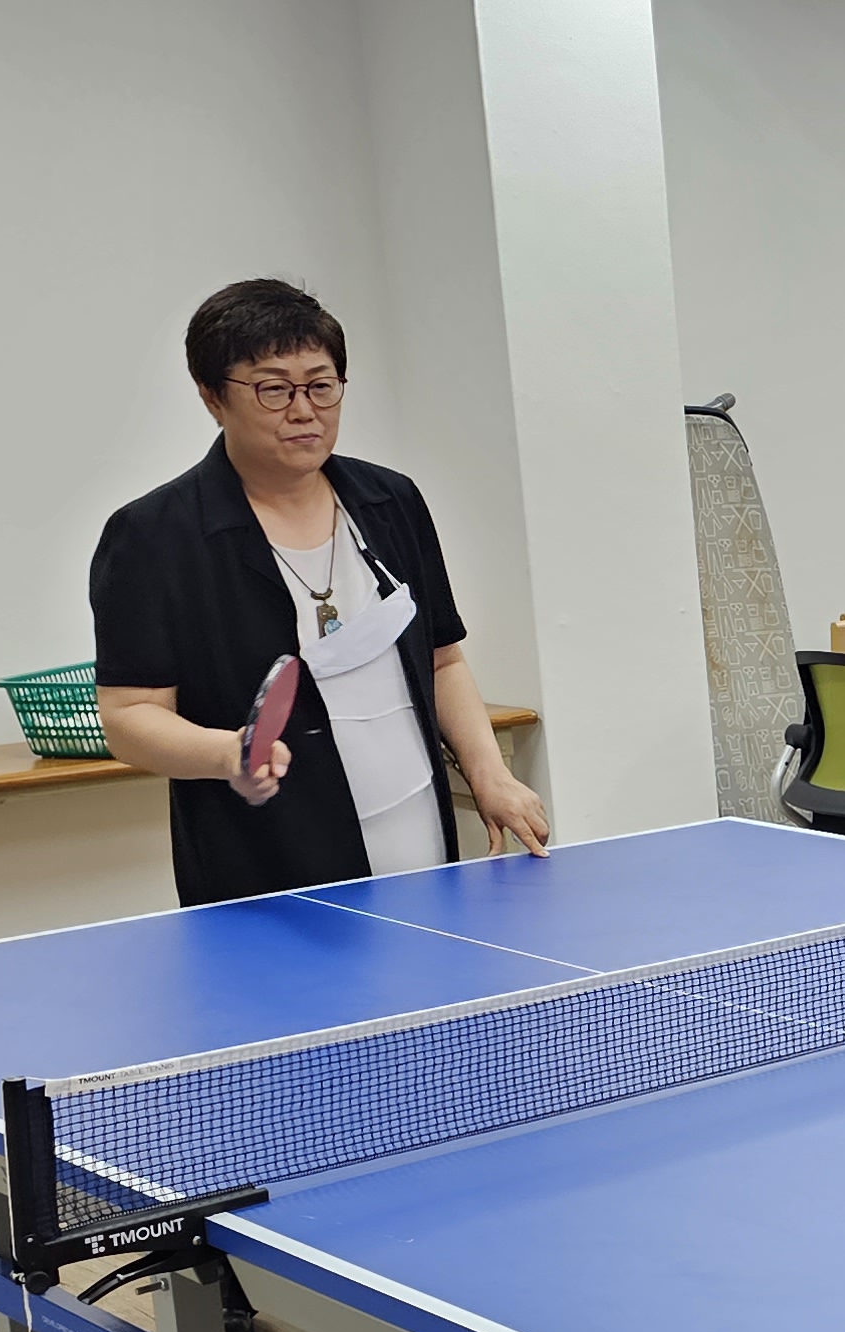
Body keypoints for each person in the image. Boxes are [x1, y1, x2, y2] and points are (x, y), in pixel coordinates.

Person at [93, 278, 550, 909]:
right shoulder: (153, 536)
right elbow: (128, 717)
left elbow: (443, 660)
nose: (304, 410)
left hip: (421, 849)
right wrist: (229, 754)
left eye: (321, 385)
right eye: (274, 389)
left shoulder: (391, 501)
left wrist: (489, 773)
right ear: (212, 397)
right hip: (266, 866)